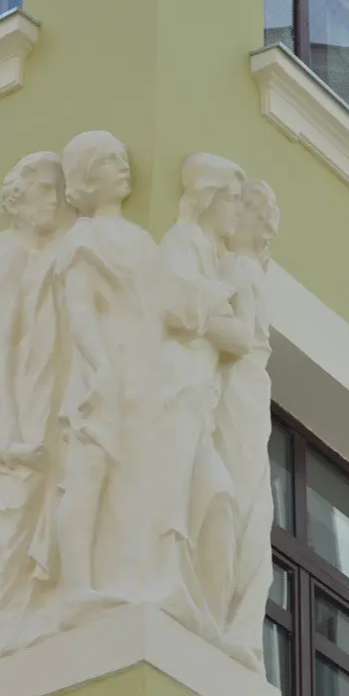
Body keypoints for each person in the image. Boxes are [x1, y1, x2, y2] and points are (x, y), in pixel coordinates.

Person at [0, 152, 75, 668]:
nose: (53, 200)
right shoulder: (15, 260)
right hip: (29, 395)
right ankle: (3, 619)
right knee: (19, 503)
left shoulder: (73, 246)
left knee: (61, 493)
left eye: (57, 190)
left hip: (66, 387)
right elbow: (5, 341)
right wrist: (9, 418)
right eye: (44, 191)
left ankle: (45, 601)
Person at [53, 130, 160, 619]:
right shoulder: (83, 240)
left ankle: (129, 572)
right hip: (103, 371)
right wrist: (99, 370)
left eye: (121, 158)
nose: (122, 166)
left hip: (140, 368)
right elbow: (80, 312)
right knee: (88, 474)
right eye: (108, 161)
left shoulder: (139, 240)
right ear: (85, 178)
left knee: (133, 475)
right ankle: (76, 587)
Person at [154, 153, 258, 646]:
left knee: (217, 500)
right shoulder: (181, 243)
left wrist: (224, 309)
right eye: (231, 199)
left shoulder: (213, 258)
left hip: (200, 398)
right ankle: (168, 583)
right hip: (176, 390)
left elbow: (237, 337)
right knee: (174, 490)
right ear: (208, 198)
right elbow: (177, 308)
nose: (237, 209)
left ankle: (209, 622)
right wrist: (226, 302)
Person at [217, 179, 281, 673]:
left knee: (243, 500)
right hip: (246, 388)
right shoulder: (244, 269)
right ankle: (237, 625)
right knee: (250, 502)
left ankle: (233, 621)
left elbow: (239, 337)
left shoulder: (238, 269)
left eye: (243, 210)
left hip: (239, 387)